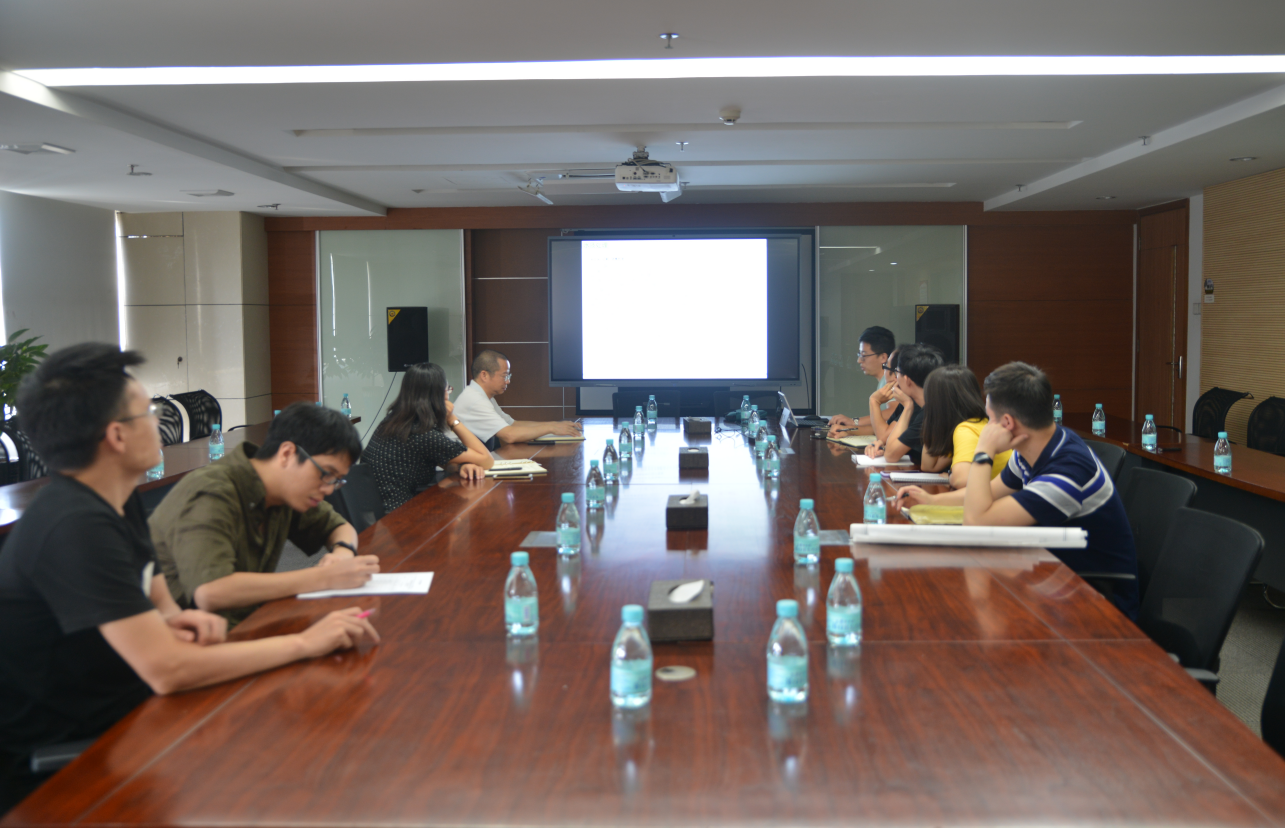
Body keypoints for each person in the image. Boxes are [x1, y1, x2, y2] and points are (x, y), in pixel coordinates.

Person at [0, 345, 377, 812]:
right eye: (148, 412)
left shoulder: (117, 501)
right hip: (74, 763)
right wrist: (306, 642)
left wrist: (175, 622)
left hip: (135, 715)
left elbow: (162, 607)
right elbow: (168, 670)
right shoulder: (73, 525)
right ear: (116, 435)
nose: (160, 421)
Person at [895, 361, 1139, 617]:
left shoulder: (1066, 472)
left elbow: (976, 524)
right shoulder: (1034, 448)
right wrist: (932, 502)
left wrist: (984, 451)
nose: (987, 427)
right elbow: (987, 493)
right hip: (1052, 577)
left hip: (1095, 602)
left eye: (990, 419)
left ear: (1007, 423)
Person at [150, 402, 380, 626]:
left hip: (239, 623)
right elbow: (211, 591)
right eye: (326, 473)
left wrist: (343, 552)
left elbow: (339, 527)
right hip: (177, 637)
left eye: (337, 480)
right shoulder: (212, 491)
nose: (329, 489)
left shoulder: (285, 490)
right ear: (287, 454)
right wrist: (323, 578)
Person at [363, 362, 495, 512]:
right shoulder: (423, 434)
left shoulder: (393, 421)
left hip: (379, 512)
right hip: (399, 515)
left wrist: (461, 466)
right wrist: (452, 420)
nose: (449, 395)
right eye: (447, 389)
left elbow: (442, 460)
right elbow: (487, 460)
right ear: (438, 396)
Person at [452, 350, 582, 444]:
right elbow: (509, 435)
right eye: (504, 376)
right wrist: (551, 428)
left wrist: (554, 424)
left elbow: (512, 424)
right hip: (458, 468)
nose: (508, 381)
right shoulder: (475, 400)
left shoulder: (483, 396)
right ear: (484, 375)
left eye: (508, 376)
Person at [917, 364, 1012, 488]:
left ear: (937, 404)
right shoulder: (977, 423)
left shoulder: (966, 430)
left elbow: (961, 481)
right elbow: (928, 466)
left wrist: (951, 477)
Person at [864, 343, 944, 465]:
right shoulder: (928, 403)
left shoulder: (928, 412)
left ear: (907, 380)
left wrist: (907, 406)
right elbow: (888, 441)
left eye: (897, 372)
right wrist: (883, 447)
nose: (896, 378)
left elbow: (891, 455)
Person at [826, 326, 896, 438]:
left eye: (864, 355)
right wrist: (849, 429)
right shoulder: (883, 381)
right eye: (859, 355)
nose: (859, 360)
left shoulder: (890, 381)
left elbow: (892, 412)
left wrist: (854, 422)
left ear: (883, 357)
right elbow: (876, 427)